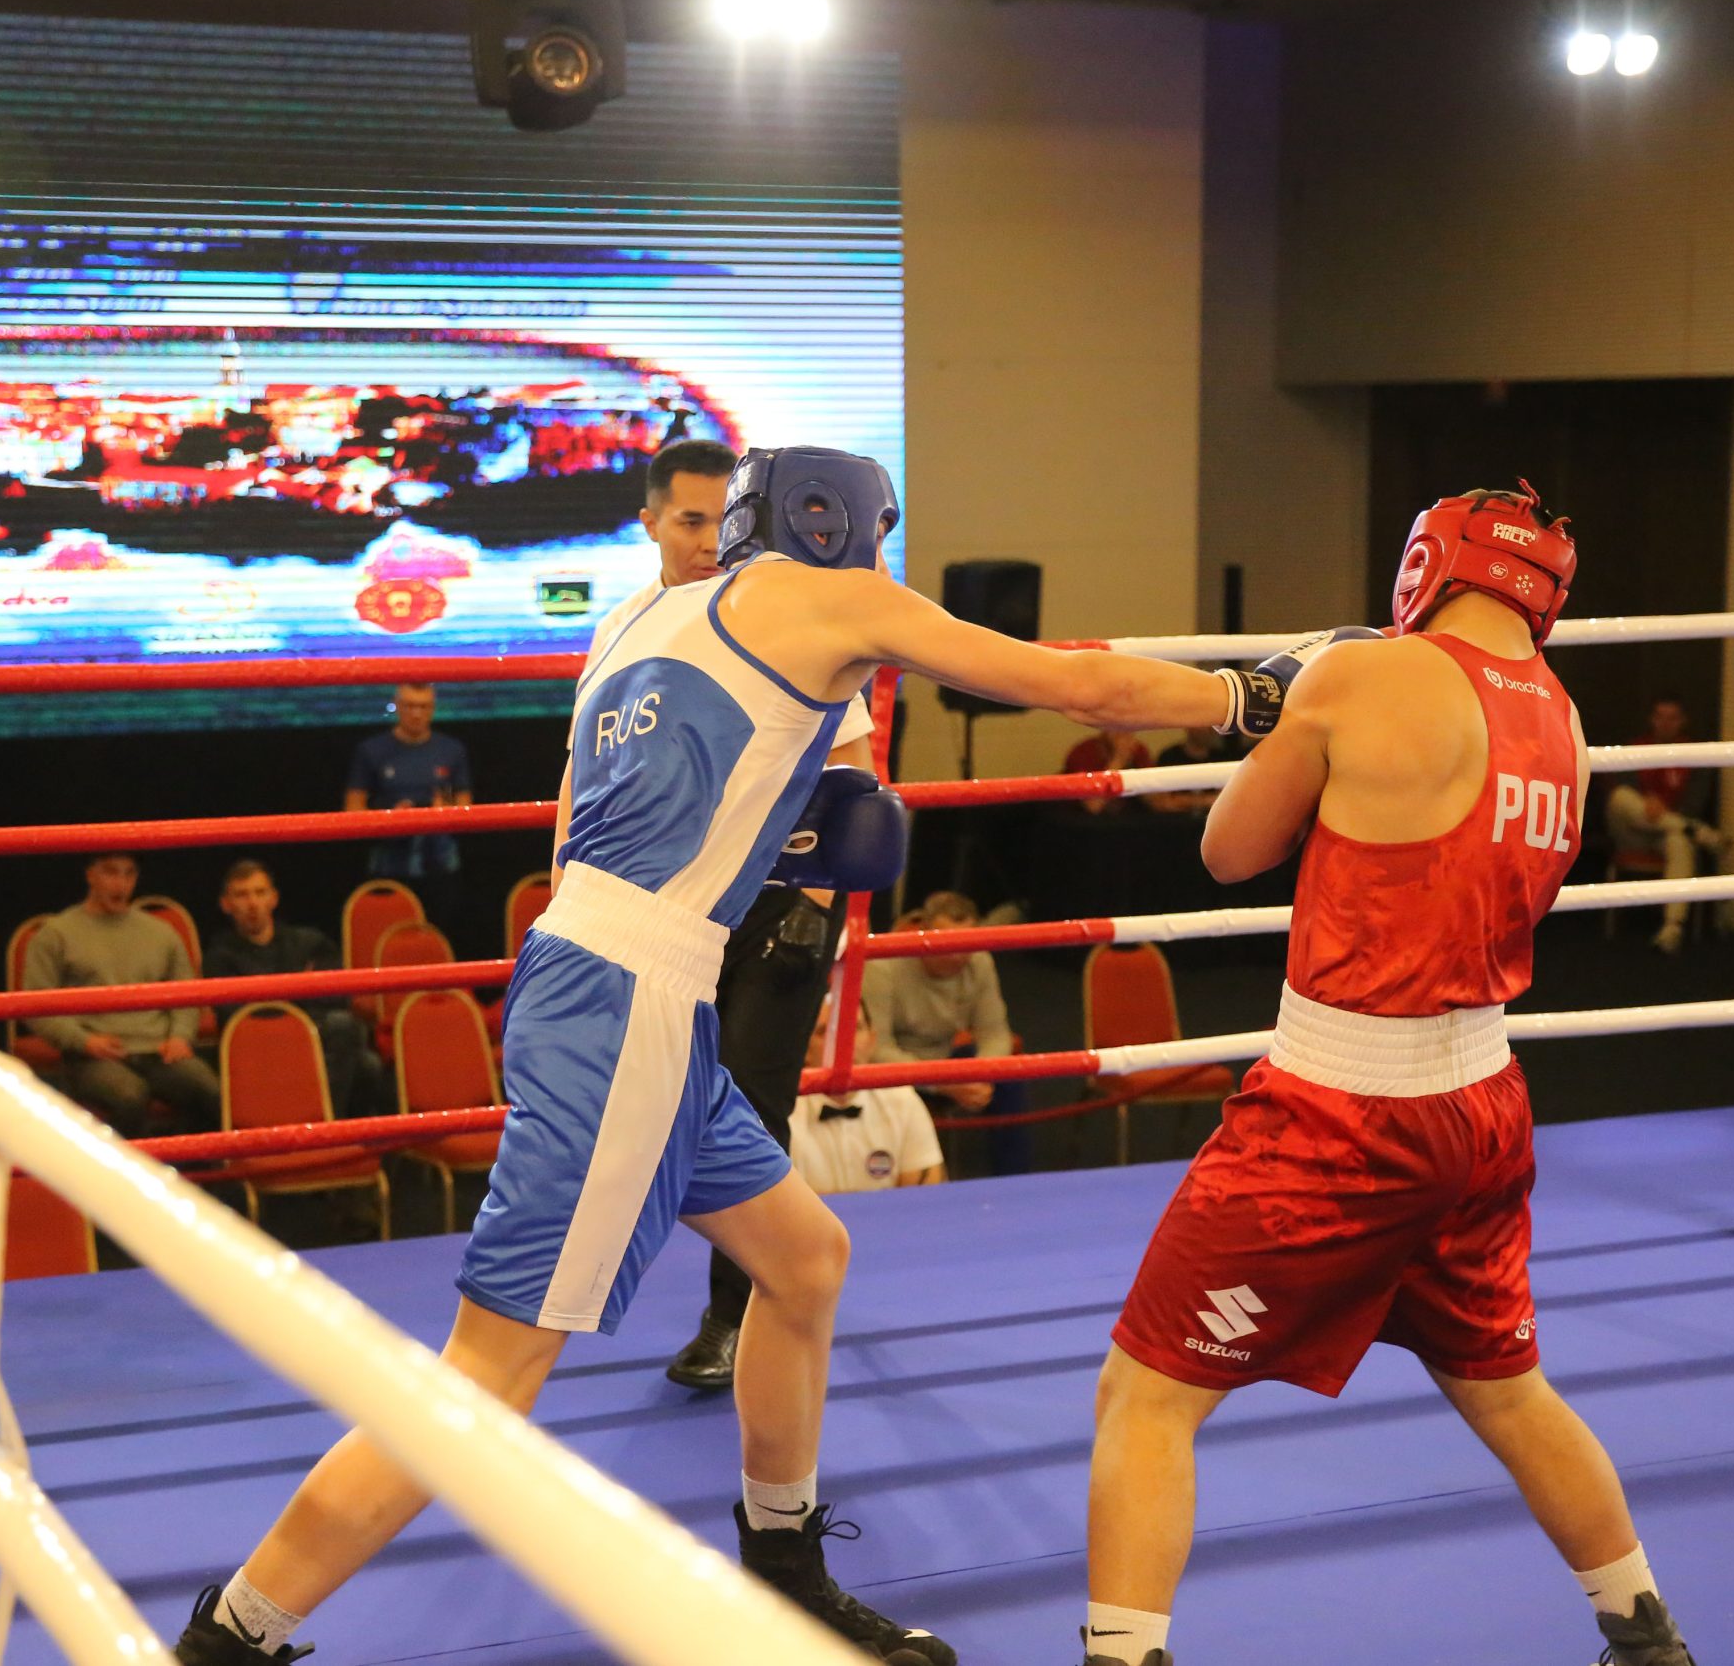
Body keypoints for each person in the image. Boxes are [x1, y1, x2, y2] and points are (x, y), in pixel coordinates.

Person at [175, 444, 1280, 1666]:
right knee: (487, 1372)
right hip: (631, 1004)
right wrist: (1247, 696)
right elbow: (1076, 687)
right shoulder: (836, 600)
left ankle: (784, 1564)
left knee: (803, 1263)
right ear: (837, 522)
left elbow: (587, 830)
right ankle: (232, 1637)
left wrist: (762, 840)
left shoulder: (636, 625)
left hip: (596, 971)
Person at [1081, 483, 1695, 1666]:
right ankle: (1647, 1637)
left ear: (1429, 564)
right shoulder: (1563, 719)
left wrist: (1294, 706)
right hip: (1483, 1106)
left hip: (1340, 1112)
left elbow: (1226, 851)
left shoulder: (1366, 675)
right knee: (1505, 1388)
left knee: (1145, 1395)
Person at [622, 439, 885, 1393]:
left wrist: (813, 908)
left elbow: (854, 776)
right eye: (687, 520)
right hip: (664, 909)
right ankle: (798, 1259)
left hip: (778, 903)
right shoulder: (625, 628)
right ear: (651, 522)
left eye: (719, 520)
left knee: (752, 1103)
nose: (707, 541)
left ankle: (735, 1314)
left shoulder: (780, 620)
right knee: (657, 1102)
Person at [23, 854, 219, 1137]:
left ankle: (191, 1163)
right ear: (91, 875)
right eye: (111, 873)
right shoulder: (56, 934)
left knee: (209, 1090)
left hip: (158, 1050)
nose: (121, 883)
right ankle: (116, 1166)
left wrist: (180, 1036)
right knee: (130, 1096)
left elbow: (186, 992)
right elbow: (35, 1006)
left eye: (129, 874)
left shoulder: (160, 933)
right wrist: (84, 1041)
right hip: (92, 1055)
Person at [861, 890, 1031, 1176]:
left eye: (965, 944)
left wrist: (981, 1072)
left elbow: (995, 1033)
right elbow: (876, 1050)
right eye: (947, 943)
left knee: (1009, 1079)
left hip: (947, 1060)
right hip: (898, 1070)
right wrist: (942, 1081)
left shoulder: (979, 961)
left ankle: (1015, 1182)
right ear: (924, 933)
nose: (957, 954)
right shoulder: (883, 966)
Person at [203, 859, 382, 1118]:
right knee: (349, 1040)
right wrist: (299, 992)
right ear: (226, 904)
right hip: (258, 1049)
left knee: (367, 1062)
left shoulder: (309, 942)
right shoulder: (219, 956)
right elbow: (237, 1015)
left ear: (273, 899)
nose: (252, 903)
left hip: (314, 1039)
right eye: (241, 895)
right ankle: (323, 1127)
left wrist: (273, 997)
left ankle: (331, 1129)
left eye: (260, 893)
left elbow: (339, 995)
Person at [1604, 695, 1728, 953]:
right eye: (1660, 717)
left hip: (1665, 833)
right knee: (1620, 798)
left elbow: (1695, 804)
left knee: (1679, 842)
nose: (1665, 723)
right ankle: (1696, 832)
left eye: (1672, 718)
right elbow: (1625, 789)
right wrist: (1647, 802)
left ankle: (1673, 926)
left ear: (1683, 721)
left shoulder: (1694, 755)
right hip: (1633, 831)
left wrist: (1665, 812)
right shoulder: (1635, 748)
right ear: (1651, 720)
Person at [788, 998, 945, 1196]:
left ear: (872, 1040)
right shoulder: (783, 1112)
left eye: (854, 1028)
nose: (842, 1042)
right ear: (804, 1048)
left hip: (890, 1217)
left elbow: (925, 1198)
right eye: (823, 1032)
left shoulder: (903, 1100)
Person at [343, 683, 472, 915]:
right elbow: (353, 810)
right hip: (388, 865)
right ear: (397, 706)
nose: (416, 713)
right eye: (410, 706)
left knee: (442, 930)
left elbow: (467, 808)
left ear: (433, 708)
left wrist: (444, 813)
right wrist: (389, 818)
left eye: (423, 706)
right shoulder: (370, 750)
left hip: (440, 864)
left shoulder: (453, 750)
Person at [1063, 726, 1154, 816]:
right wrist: (1118, 761)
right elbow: (1093, 806)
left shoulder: (1138, 751)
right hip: (1085, 819)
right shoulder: (1084, 752)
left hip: (1127, 817)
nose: (1122, 733)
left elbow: (1157, 802)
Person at [1148, 723, 1232, 815]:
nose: (1208, 730)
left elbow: (1227, 801)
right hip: (1175, 821)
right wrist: (1206, 801)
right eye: (1203, 725)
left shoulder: (1222, 758)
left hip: (1213, 820)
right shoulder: (1169, 757)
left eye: (1211, 725)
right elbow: (1163, 802)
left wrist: (1182, 800)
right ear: (1188, 727)